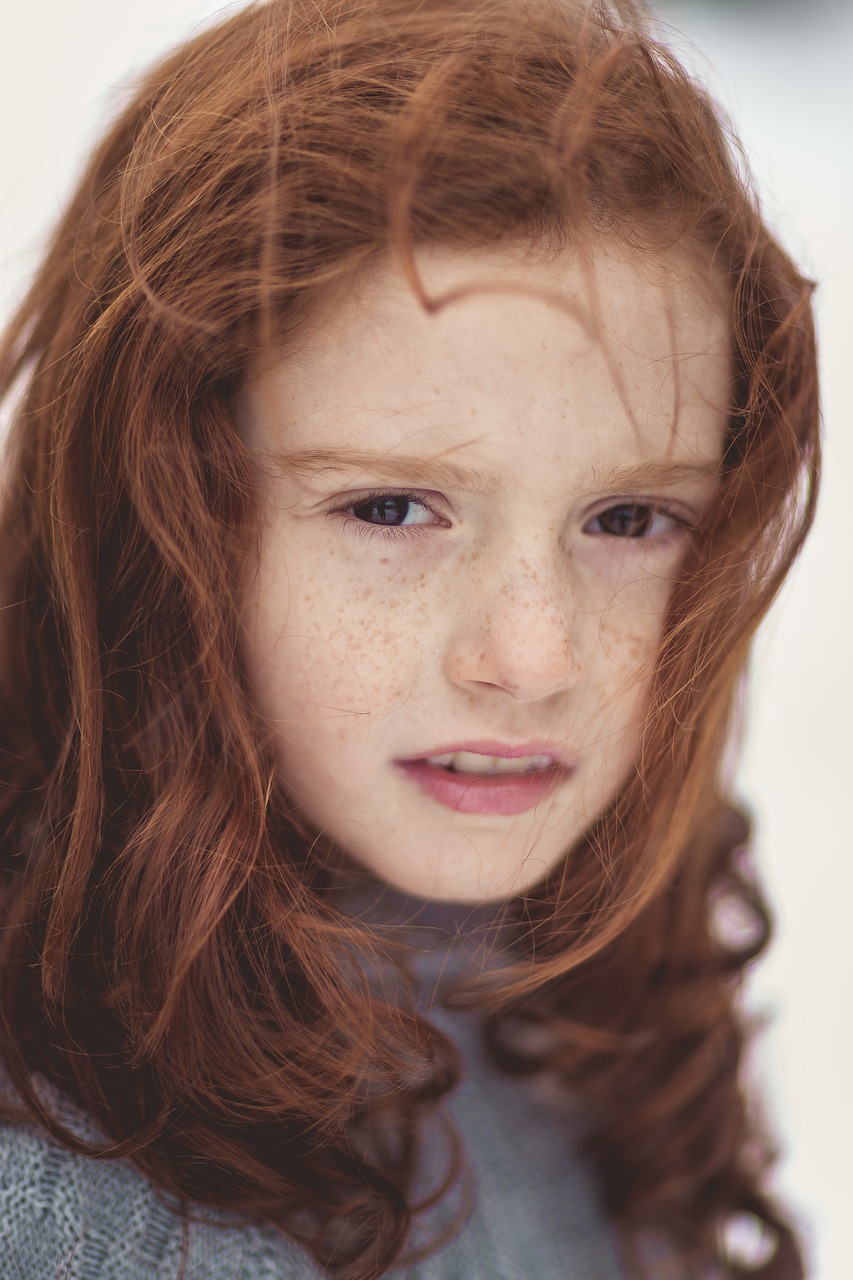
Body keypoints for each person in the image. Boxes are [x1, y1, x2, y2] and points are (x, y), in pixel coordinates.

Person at [0, 0, 819, 1276]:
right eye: (389, 507)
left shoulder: (579, 1005)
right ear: (154, 517)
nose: (535, 655)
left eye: (627, 516)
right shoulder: (56, 1178)